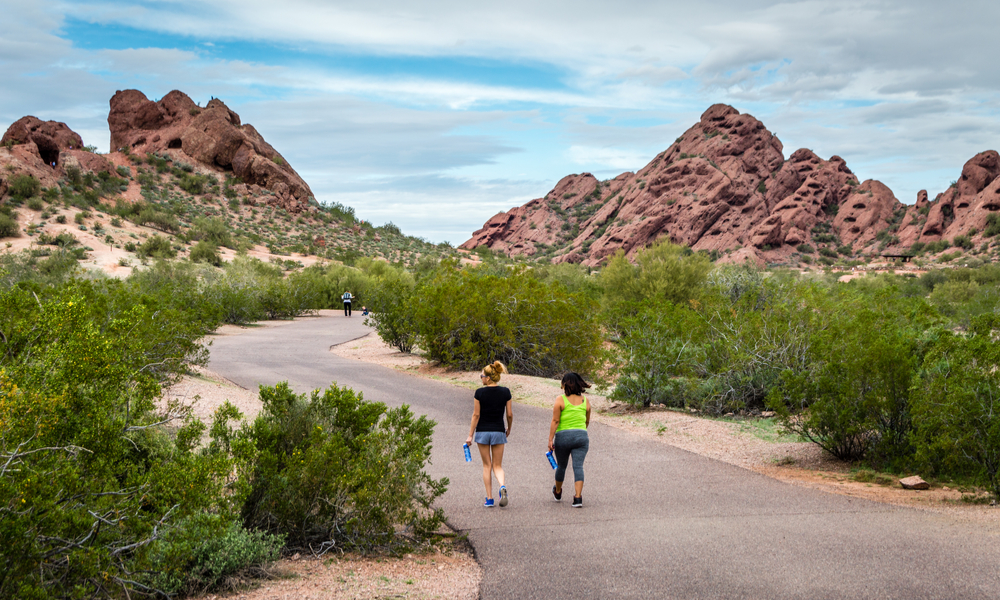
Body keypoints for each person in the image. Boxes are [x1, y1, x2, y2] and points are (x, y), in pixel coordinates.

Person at [466, 361, 512, 507]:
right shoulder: (506, 392)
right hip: (499, 430)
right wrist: (509, 428)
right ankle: (502, 486)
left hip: (483, 432)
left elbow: (476, 415)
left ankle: (490, 498)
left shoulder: (479, 393)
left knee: (487, 466)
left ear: (488, 378)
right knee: (497, 466)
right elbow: (509, 414)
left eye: (482, 376)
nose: (481, 378)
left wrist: (470, 435)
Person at [548, 372, 591, 508]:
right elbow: (587, 421)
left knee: (562, 465)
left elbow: (555, 420)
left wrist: (550, 439)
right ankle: (578, 497)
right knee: (578, 466)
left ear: (565, 384)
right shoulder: (586, 401)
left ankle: (558, 491)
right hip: (581, 436)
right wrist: (579, 432)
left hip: (563, 437)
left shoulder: (560, 400)